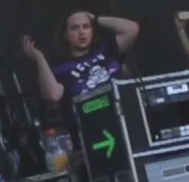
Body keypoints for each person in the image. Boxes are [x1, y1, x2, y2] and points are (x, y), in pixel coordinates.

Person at [22, 10, 139, 143]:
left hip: (123, 124)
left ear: (92, 30)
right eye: (75, 28)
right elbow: (53, 95)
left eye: (86, 26)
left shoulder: (107, 49)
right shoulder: (61, 68)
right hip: (89, 135)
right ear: (65, 35)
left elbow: (132, 29)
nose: (81, 32)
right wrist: (39, 58)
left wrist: (96, 19)